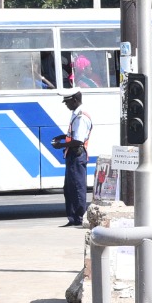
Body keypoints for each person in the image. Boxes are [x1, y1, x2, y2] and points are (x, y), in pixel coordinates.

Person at [59, 91, 93, 227]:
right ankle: (72, 218)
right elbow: (73, 136)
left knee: (77, 187)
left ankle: (79, 218)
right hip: (72, 154)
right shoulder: (75, 114)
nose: (66, 105)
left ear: (74, 100)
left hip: (77, 155)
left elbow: (78, 140)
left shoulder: (81, 117)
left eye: (67, 102)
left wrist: (61, 145)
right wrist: (62, 138)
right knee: (69, 188)